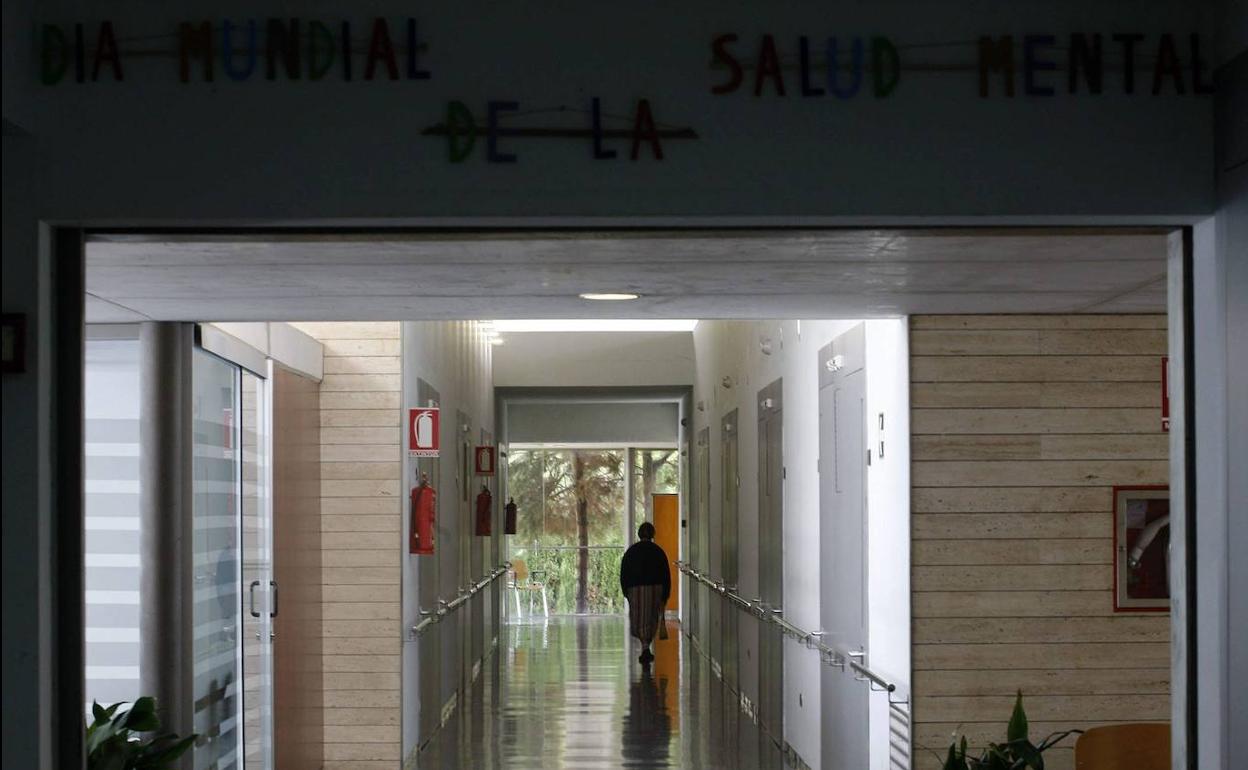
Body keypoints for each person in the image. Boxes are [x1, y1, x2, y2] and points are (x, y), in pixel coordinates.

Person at [619, 522, 671, 665]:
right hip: (655, 588)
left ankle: (645, 646)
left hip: (635, 589)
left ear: (639, 534)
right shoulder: (658, 551)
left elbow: (624, 573)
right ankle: (646, 646)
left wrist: (626, 592)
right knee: (651, 617)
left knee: (639, 618)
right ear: (653, 534)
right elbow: (665, 574)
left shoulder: (631, 552)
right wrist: (665, 594)